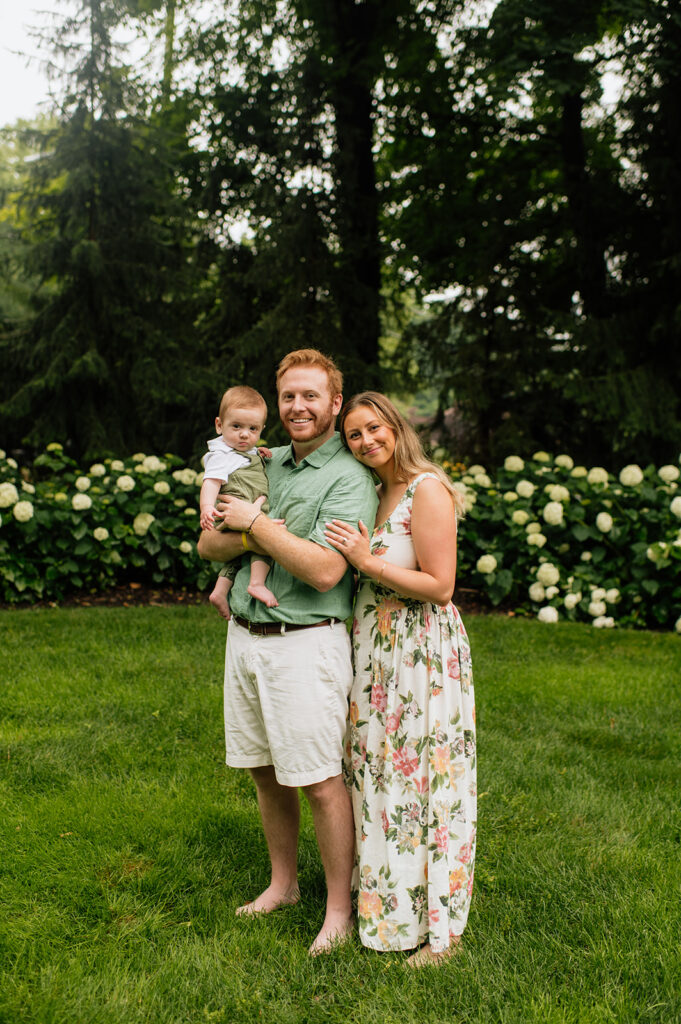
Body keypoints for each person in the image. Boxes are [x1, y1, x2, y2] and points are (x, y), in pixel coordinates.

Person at [197, 350, 379, 955]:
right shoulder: (261, 461)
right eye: (288, 397)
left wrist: (254, 525)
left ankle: (338, 910)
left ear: (334, 403)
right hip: (245, 637)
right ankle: (283, 885)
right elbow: (206, 545)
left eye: (311, 396)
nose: (298, 407)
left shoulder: (348, 477)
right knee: (264, 771)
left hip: (305, 644)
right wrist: (250, 529)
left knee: (321, 781)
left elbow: (327, 571)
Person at [323, 392, 476, 967]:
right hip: (373, 651)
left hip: (419, 653)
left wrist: (369, 563)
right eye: (354, 434)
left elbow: (441, 585)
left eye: (373, 428)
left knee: (425, 778)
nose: (365, 442)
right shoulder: (373, 490)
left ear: (396, 426)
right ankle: (388, 902)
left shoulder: (426, 488)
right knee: (375, 771)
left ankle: (441, 928)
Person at [199, 385, 276, 620]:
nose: (245, 435)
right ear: (219, 425)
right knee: (270, 538)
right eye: (236, 427)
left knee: (238, 554)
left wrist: (257, 453)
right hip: (242, 508)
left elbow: (246, 457)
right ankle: (256, 582)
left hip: (243, 508)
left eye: (253, 429)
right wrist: (207, 508)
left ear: (262, 429)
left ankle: (220, 590)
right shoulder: (222, 456)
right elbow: (211, 482)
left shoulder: (243, 451)